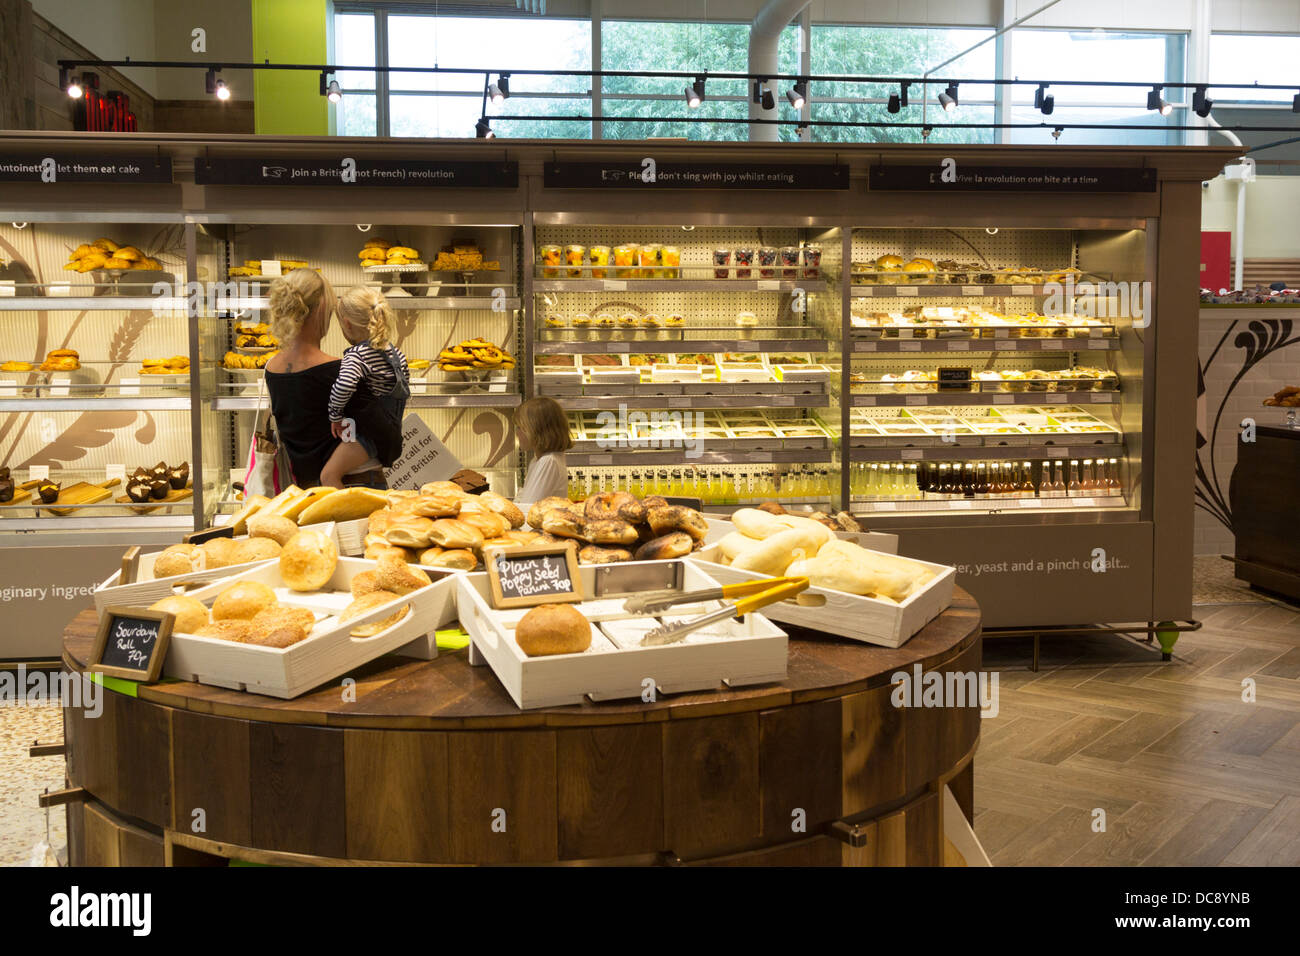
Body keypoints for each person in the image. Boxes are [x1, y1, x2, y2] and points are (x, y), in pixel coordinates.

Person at [263, 269, 387, 490]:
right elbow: (375, 434)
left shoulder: (271, 369)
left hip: (304, 488)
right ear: (320, 308)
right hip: (352, 485)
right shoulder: (342, 371)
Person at [322, 287, 410, 488]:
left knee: (329, 475)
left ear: (347, 324)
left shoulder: (356, 356)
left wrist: (334, 415)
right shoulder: (397, 354)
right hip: (391, 434)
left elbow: (344, 385)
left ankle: (345, 514)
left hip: (366, 436)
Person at [513, 396, 572, 506]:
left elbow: (528, 508)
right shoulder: (537, 460)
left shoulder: (548, 462)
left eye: (520, 427)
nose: (517, 433)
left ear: (536, 430)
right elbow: (522, 499)